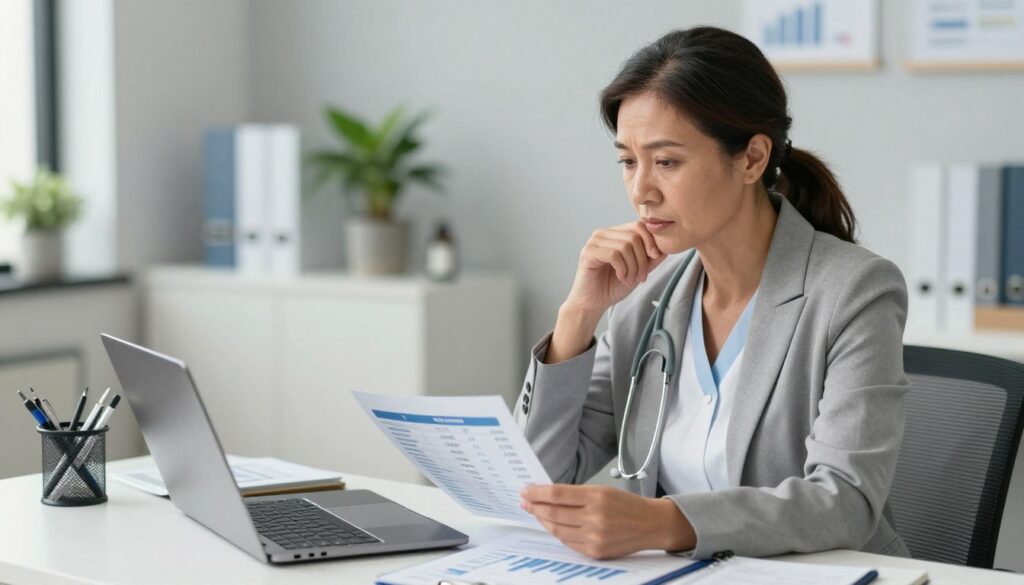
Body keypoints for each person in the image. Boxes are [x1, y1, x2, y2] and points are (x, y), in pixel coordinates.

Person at [514, 26, 910, 561]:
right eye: (628, 161)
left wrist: (665, 523)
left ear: (751, 159)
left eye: (667, 161)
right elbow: (541, 478)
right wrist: (578, 316)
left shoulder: (854, 291)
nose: (641, 190)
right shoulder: (643, 300)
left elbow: (845, 500)